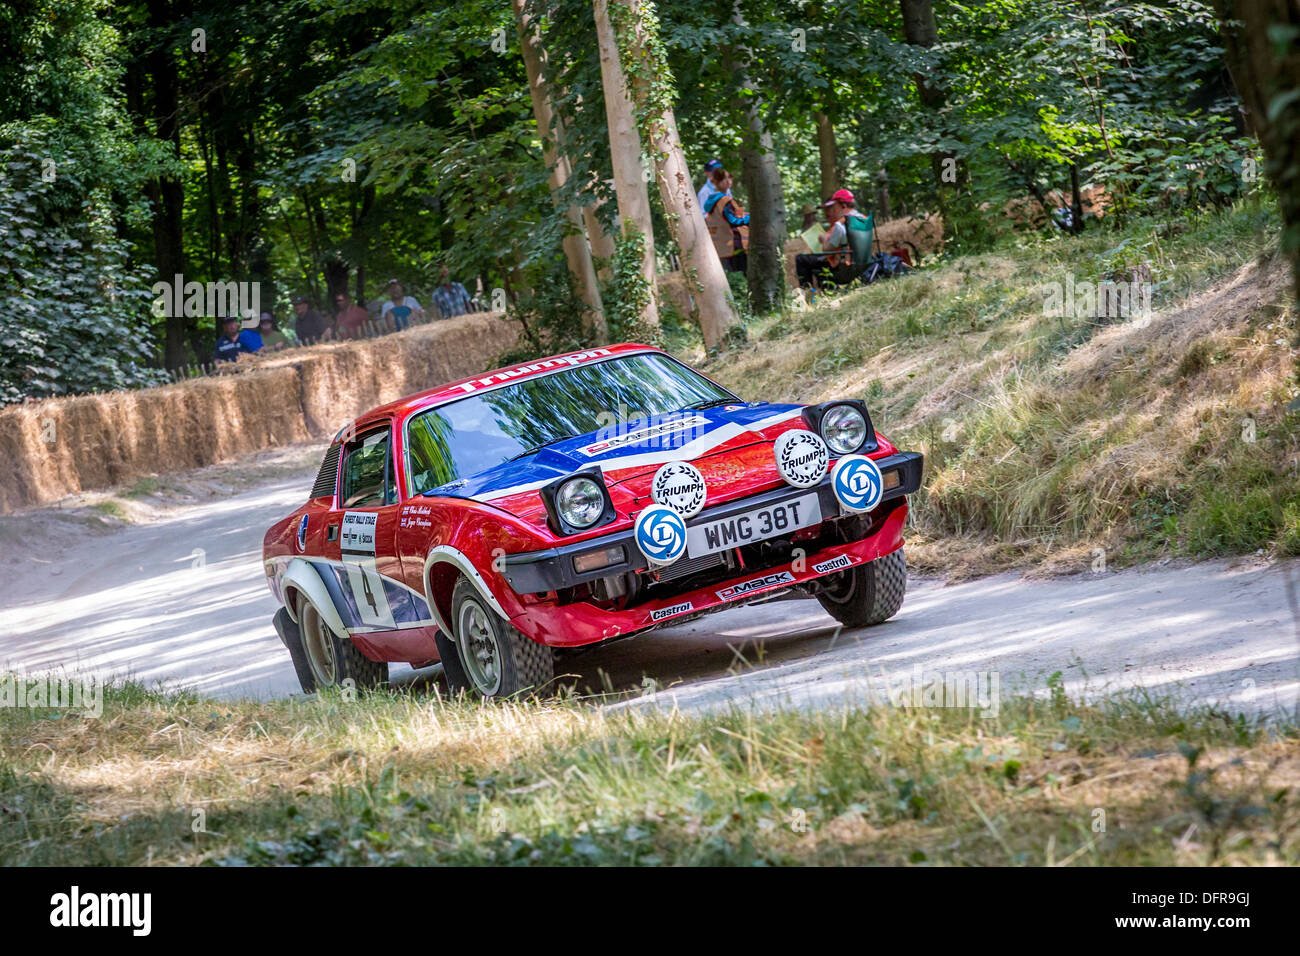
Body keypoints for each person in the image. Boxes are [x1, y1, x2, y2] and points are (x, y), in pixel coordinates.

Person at [796, 188, 867, 290]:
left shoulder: (840, 225)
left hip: (842, 268)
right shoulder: (864, 219)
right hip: (861, 265)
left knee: (801, 259)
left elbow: (826, 249)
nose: (833, 210)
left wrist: (824, 239)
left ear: (843, 205)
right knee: (816, 260)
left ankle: (806, 292)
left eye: (834, 206)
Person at [703, 169, 750, 273]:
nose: (728, 181)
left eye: (730, 177)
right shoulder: (724, 201)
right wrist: (751, 218)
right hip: (733, 246)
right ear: (715, 181)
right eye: (723, 179)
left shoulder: (713, 200)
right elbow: (733, 220)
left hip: (721, 247)